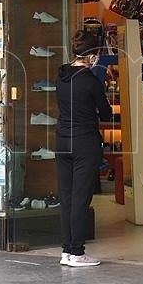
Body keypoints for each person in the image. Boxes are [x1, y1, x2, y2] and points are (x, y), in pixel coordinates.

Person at [55, 30, 113, 268]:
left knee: (67, 197)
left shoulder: (61, 75)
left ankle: (66, 251)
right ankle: (77, 252)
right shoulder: (90, 81)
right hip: (84, 142)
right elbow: (106, 113)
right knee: (80, 198)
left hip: (62, 140)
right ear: (92, 56)